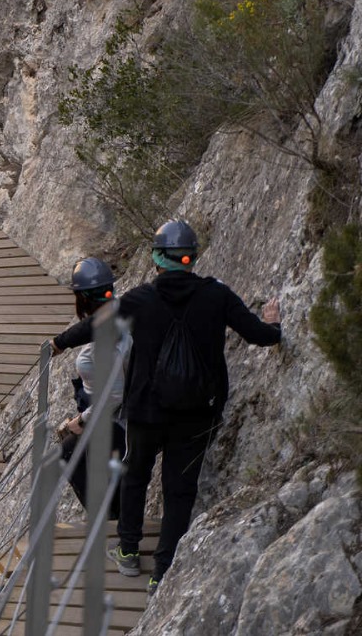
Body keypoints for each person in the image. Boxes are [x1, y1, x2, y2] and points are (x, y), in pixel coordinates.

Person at [51, 219, 281, 593]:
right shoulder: (216, 295)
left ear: (157, 258)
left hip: (147, 411)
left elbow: (95, 327)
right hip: (197, 413)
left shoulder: (140, 299)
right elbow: (259, 335)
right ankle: (162, 572)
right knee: (179, 489)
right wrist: (274, 326)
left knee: (136, 474)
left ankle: (127, 552)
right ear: (191, 258)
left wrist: (58, 343)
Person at [57, 257, 131, 521]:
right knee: (69, 451)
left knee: (75, 449)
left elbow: (114, 395)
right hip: (121, 417)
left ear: (82, 298)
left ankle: (113, 523)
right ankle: (110, 519)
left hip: (121, 422)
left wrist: (81, 420)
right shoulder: (119, 315)